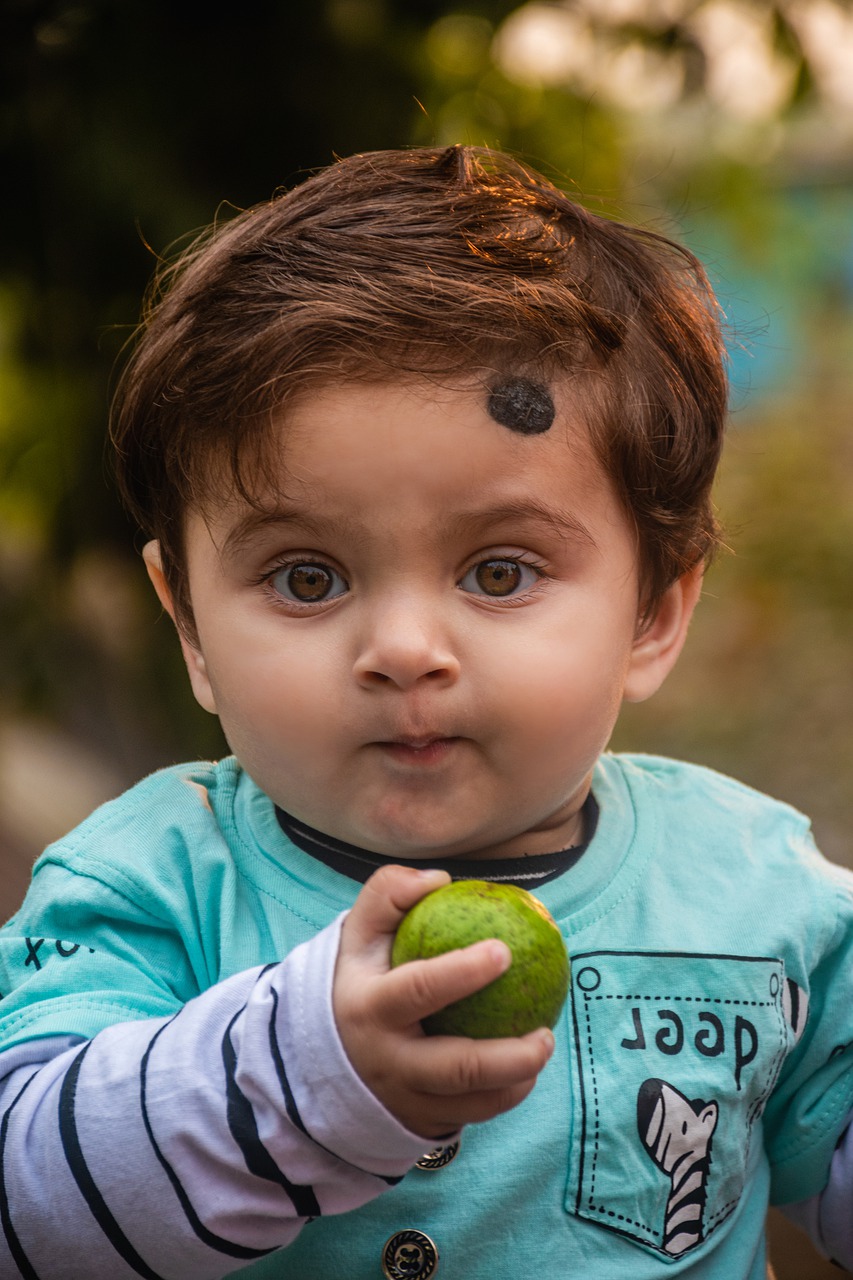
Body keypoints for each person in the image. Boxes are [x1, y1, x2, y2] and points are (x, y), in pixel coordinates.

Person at [0, 145, 850, 1280]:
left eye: (499, 571)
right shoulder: (146, 887)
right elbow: (24, 1207)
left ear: (651, 610)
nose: (403, 649)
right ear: (191, 624)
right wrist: (299, 1077)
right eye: (308, 577)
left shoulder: (757, 892)